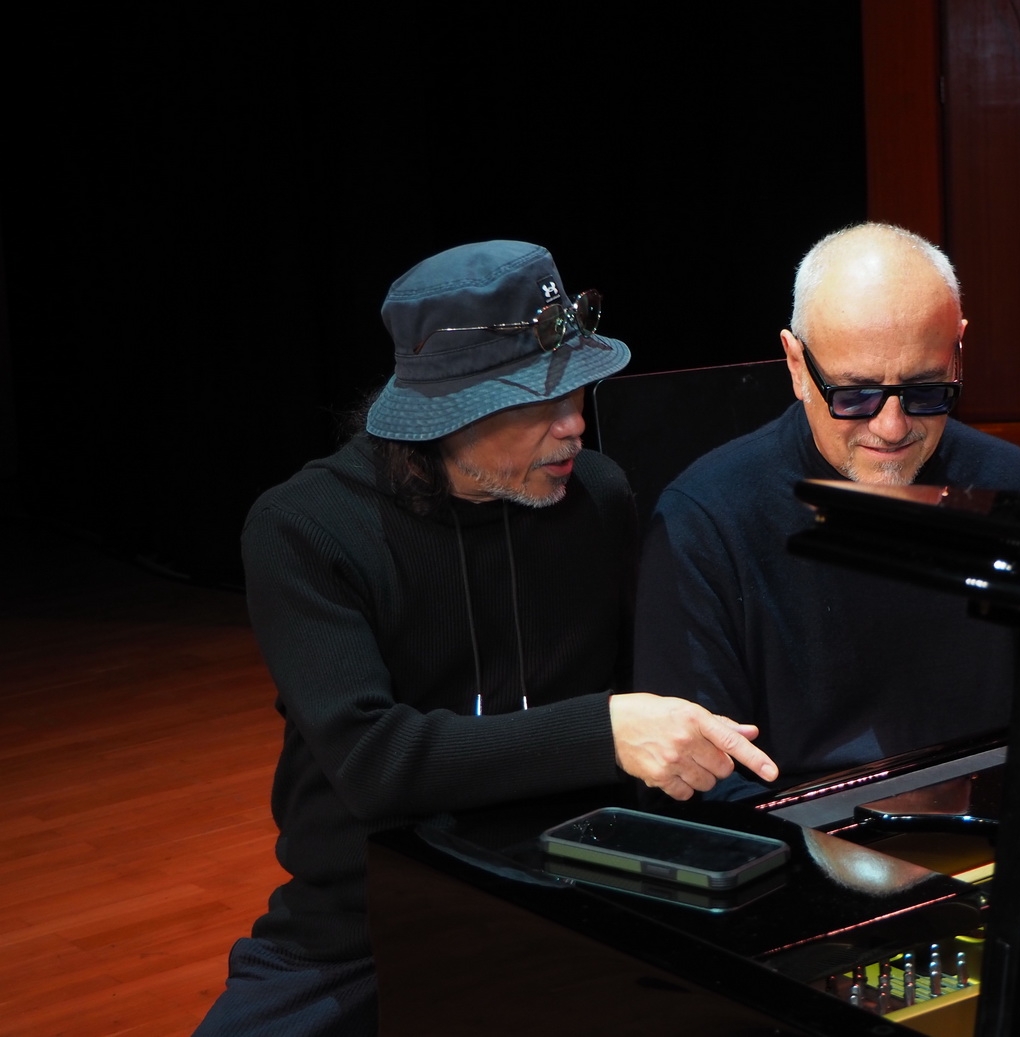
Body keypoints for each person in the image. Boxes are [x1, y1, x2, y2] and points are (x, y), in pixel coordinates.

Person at [194, 240, 777, 1036]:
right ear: (446, 411)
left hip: (577, 891)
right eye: (539, 404)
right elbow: (375, 763)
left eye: (578, 391)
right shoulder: (306, 528)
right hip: (365, 921)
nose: (575, 426)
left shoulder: (599, 498)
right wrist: (603, 730)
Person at [633, 222, 1020, 801]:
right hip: (802, 838)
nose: (892, 427)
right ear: (796, 365)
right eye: (854, 395)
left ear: (958, 349)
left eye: (926, 390)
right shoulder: (706, 520)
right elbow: (697, 792)